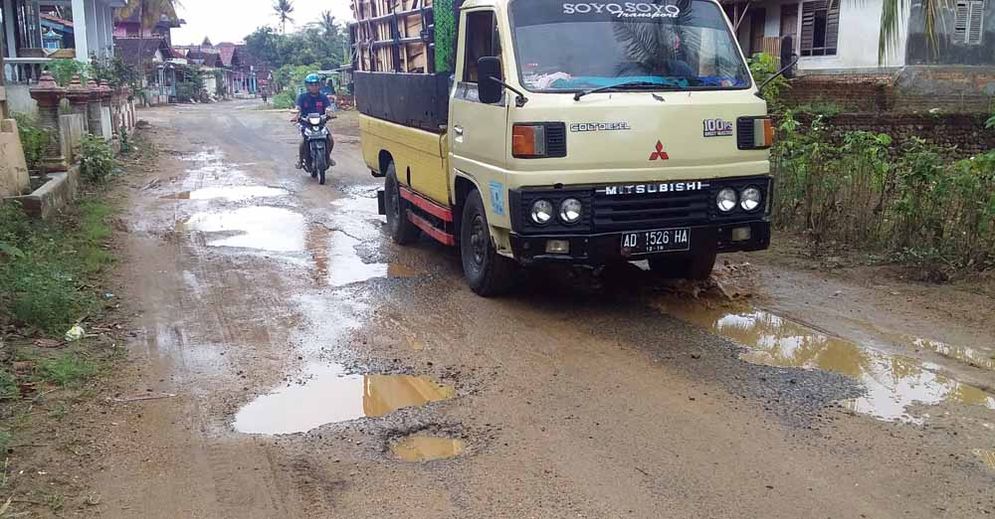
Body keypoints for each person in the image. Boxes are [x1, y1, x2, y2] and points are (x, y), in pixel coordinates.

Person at [290, 73, 335, 169]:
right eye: (311, 85)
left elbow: (328, 108)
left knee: (330, 139)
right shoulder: (302, 97)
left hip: (320, 124)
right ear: (307, 86)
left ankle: (327, 157)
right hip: (306, 124)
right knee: (303, 141)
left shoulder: (323, 97)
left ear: (319, 85)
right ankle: (300, 160)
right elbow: (298, 108)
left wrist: (329, 113)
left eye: (316, 84)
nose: (314, 87)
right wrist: (296, 116)